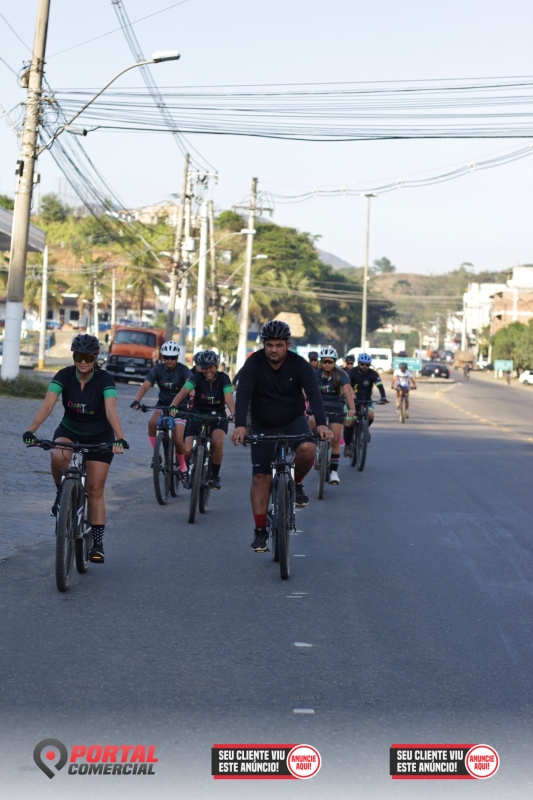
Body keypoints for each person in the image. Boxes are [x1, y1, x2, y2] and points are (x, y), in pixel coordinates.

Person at [22, 333, 127, 564]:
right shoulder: (63, 375)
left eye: (88, 357)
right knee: (57, 455)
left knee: (95, 488)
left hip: (100, 434)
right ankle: (62, 494)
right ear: (73, 357)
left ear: (95, 358)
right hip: (70, 429)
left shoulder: (105, 379)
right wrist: (31, 431)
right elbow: (48, 405)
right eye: (79, 357)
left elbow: (111, 410)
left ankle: (97, 543)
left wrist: (120, 438)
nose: (83, 362)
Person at [231, 320, 332, 553]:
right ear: (263, 345)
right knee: (260, 477)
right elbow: (243, 394)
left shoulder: (299, 364)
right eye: (269, 345)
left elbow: (314, 394)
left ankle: (297, 484)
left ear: (288, 344)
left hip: (293, 420)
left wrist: (322, 424)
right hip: (263, 423)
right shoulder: (253, 363)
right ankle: (260, 530)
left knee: (308, 449)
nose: (273, 350)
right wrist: (240, 426)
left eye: (279, 345)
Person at [170, 350, 235, 489]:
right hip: (197, 415)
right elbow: (183, 391)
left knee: (217, 442)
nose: (207, 371)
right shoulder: (197, 377)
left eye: (210, 367)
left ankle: (215, 475)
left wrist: (234, 414)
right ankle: (188, 471)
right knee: (187, 450)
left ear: (216, 365)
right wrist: (173, 406)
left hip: (217, 416)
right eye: (204, 367)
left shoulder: (224, 378)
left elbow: (228, 397)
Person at [130, 341, 191, 478]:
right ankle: (156, 455)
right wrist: (137, 400)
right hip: (163, 404)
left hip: (180, 408)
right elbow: (145, 386)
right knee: (152, 422)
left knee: (178, 440)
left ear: (177, 357)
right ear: (162, 357)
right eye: (166, 357)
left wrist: (192, 399)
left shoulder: (183, 369)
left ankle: (183, 466)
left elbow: (191, 386)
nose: (169, 360)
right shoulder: (158, 369)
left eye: (172, 358)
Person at [307, 347, 355, 485]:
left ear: (334, 362)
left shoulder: (341, 374)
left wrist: (352, 408)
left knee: (335, 440)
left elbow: (347, 391)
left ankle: (334, 472)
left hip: (336, 407)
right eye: (324, 361)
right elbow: (306, 389)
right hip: (317, 407)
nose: (327, 364)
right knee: (312, 423)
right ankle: (316, 449)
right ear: (321, 362)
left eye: (330, 361)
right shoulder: (315, 374)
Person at [343, 353, 388, 456]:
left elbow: (380, 385)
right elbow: (346, 386)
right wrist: (347, 397)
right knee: (350, 422)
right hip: (352, 401)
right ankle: (348, 446)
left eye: (367, 365)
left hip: (367, 400)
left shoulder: (373, 373)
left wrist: (383, 397)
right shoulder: (351, 372)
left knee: (371, 415)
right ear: (358, 363)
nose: (365, 366)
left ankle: (364, 428)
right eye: (362, 364)